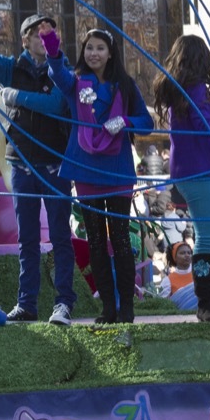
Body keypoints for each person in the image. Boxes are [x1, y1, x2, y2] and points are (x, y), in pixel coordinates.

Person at [0, 11, 76, 325]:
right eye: (38, 32)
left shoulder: (62, 70)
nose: (45, 36)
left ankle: (64, 303)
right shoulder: (12, 68)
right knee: (26, 238)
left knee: (59, 237)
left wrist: (17, 97)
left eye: (50, 32)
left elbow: (56, 104)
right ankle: (26, 303)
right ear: (25, 39)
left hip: (54, 165)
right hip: (22, 164)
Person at [42, 26, 153, 324]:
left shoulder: (126, 86)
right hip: (86, 169)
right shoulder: (76, 83)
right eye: (89, 47)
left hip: (117, 171)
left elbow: (147, 122)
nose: (94, 53)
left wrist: (125, 120)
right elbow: (58, 73)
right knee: (94, 241)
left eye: (100, 48)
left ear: (111, 52)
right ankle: (108, 308)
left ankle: (126, 308)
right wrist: (51, 45)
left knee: (119, 238)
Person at [152, 34, 210, 322]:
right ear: (200, 60)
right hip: (196, 171)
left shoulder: (194, 90)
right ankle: (205, 301)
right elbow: (205, 127)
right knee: (208, 236)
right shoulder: (192, 90)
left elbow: (208, 123)